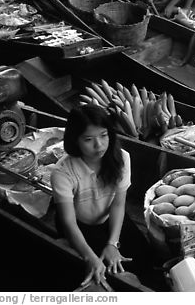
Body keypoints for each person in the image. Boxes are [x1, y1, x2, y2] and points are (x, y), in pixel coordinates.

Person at [50, 105, 165, 289]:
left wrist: (112, 243)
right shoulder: (63, 172)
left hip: (111, 216)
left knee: (145, 257)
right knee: (111, 271)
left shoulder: (121, 158)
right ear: (75, 140)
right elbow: (68, 222)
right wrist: (90, 257)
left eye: (104, 135)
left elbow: (118, 205)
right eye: (89, 139)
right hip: (80, 225)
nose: (99, 145)